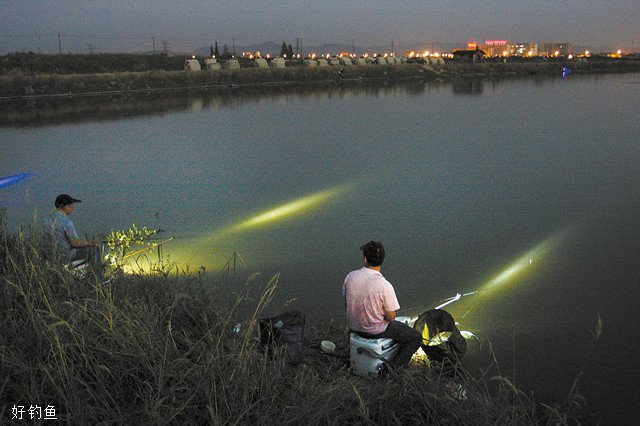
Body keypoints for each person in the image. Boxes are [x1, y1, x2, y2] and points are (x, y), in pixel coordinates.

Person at [343, 241, 421, 371]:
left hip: (354, 327)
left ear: (365, 258)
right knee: (415, 338)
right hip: (375, 331)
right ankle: (393, 369)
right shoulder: (384, 285)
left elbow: (346, 304)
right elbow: (391, 317)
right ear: (382, 260)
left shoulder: (350, 276)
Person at [42, 194, 103, 275]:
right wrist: (91, 242)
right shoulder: (67, 222)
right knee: (94, 250)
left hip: (50, 256)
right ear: (67, 206)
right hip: (65, 256)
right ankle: (98, 278)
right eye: (71, 205)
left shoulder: (46, 220)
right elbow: (75, 243)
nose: (72, 208)